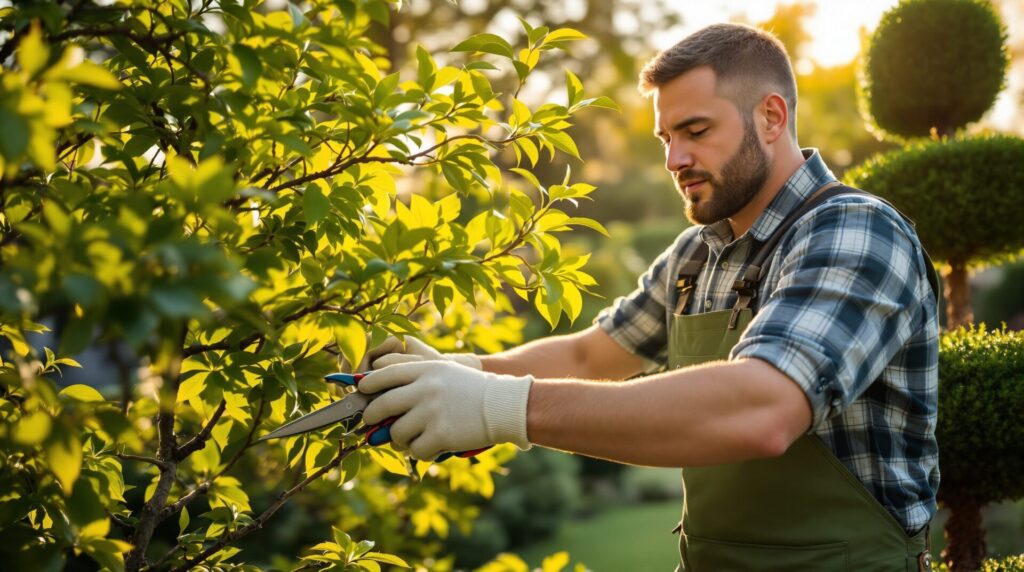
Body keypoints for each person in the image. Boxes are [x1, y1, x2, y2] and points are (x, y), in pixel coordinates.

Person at [351, 23, 939, 570]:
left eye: (696, 131)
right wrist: (461, 372)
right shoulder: (695, 254)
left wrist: (497, 407)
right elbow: (592, 356)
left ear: (771, 117)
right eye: (666, 137)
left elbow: (764, 408)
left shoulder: (856, 232)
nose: (674, 159)